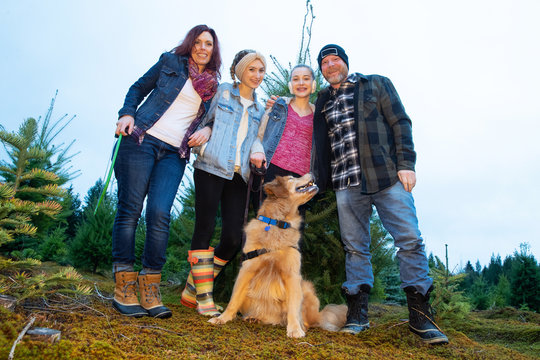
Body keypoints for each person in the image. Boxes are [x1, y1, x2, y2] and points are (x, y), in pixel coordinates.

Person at [312, 44, 448, 344]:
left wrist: (407, 164)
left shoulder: (375, 83)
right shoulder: (322, 100)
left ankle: (421, 318)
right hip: (346, 184)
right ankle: (358, 315)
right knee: (355, 248)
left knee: (410, 240)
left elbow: (400, 122)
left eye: (335, 59)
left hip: (387, 177)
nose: (331, 65)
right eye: (325, 62)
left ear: (345, 62)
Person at [111, 25, 221, 319]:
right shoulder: (170, 62)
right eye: (197, 42)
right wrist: (127, 113)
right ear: (190, 44)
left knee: (159, 213)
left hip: (175, 153)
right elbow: (138, 88)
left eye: (208, 44)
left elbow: (213, 119)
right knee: (131, 209)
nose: (202, 47)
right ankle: (124, 284)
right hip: (141, 140)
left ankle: (150, 288)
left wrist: (208, 129)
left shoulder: (213, 85)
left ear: (214, 50)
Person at [180, 49, 267, 316]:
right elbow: (203, 119)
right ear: (240, 71)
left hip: (239, 176)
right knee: (204, 229)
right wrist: (206, 128)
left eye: (261, 70)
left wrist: (258, 151)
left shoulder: (260, 109)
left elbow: (257, 138)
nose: (257, 75)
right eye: (252, 69)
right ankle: (204, 298)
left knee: (232, 238)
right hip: (211, 167)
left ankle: (194, 287)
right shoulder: (222, 92)